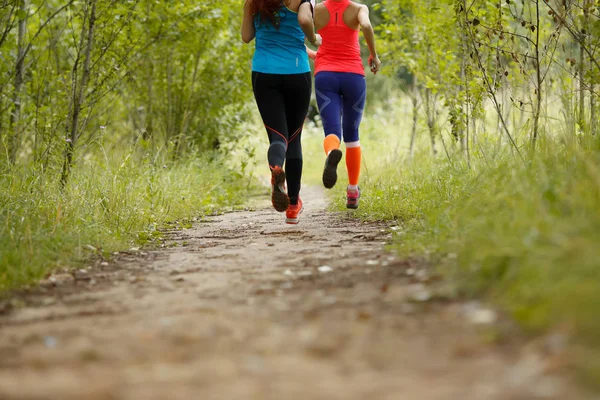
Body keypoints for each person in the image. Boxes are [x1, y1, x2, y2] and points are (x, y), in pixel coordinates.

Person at [242, 0, 321, 224]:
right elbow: (304, 20)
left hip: (264, 73)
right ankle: (293, 206)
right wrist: (314, 38)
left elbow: (247, 36)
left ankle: (276, 169)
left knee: (279, 137)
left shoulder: (253, 2)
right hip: (297, 72)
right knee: (294, 138)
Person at [308, 0, 380, 209]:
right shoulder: (359, 9)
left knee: (332, 129)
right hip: (353, 77)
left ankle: (331, 154)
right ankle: (352, 190)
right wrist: (373, 55)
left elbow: (296, 32)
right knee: (352, 133)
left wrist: (313, 53)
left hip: (325, 75)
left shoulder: (316, 10)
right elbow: (366, 26)